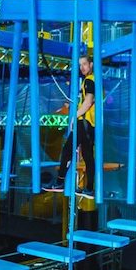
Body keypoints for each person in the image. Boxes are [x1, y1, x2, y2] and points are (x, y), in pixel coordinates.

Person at [47, 54, 96, 199]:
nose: (82, 68)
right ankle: (89, 189)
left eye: (84, 64)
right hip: (90, 123)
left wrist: (76, 116)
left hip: (85, 121)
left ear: (91, 65)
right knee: (87, 156)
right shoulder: (91, 80)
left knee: (67, 149)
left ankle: (60, 182)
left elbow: (88, 102)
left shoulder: (89, 81)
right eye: (80, 65)